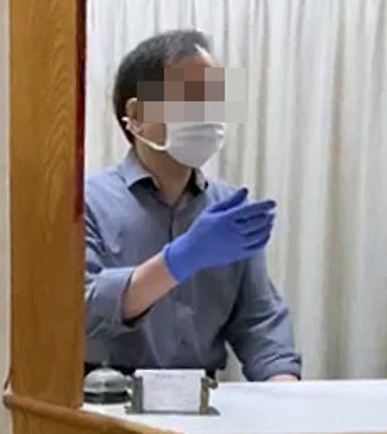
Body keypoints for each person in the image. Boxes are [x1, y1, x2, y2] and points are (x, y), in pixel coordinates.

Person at [84, 30, 301, 381]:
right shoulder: (87, 202)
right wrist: (178, 260)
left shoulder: (227, 209)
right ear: (136, 115)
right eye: (188, 97)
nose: (206, 114)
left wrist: (284, 389)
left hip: (205, 398)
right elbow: (82, 310)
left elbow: (259, 322)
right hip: (108, 397)